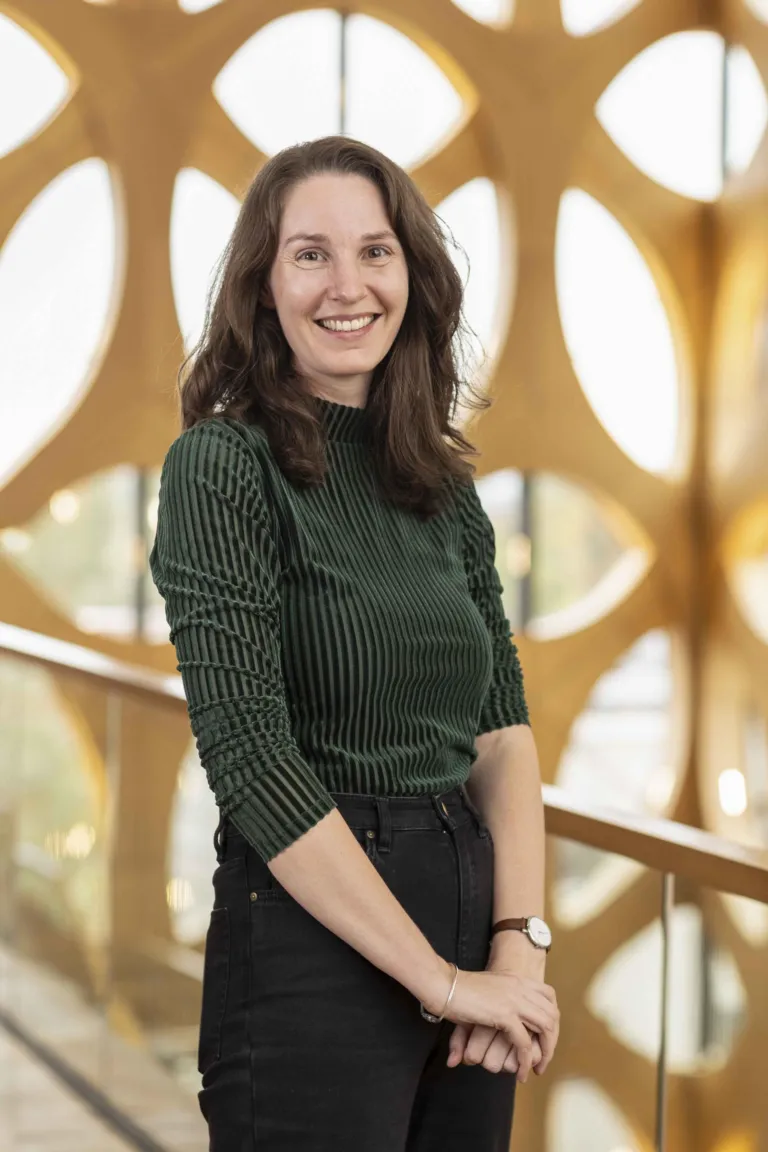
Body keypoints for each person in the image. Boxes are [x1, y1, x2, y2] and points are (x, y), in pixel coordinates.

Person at [149, 134, 559, 1152]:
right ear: (263, 286)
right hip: (310, 944)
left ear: (412, 277)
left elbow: (502, 735)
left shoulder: (445, 489)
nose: (349, 284)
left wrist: (516, 954)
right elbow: (250, 759)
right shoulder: (218, 469)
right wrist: (438, 981)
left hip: (472, 918)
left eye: (375, 251)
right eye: (310, 253)